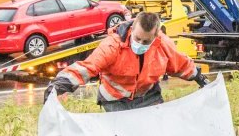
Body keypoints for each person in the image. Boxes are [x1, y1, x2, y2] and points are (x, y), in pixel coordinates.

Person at [45, 11, 207, 110]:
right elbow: (87, 68)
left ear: (156, 35)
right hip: (115, 100)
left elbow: (181, 64)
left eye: (146, 41)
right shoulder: (113, 45)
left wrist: (200, 78)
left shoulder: (162, 45)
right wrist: (59, 85)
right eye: (137, 38)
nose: (141, 44)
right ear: (132, 29)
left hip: (148, 97)